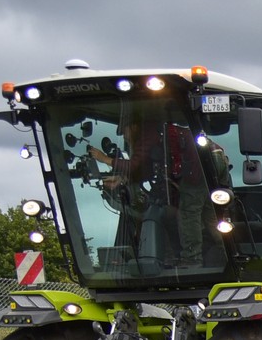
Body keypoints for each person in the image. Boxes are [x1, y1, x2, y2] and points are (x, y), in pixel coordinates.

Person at [86, 114, 208, 265]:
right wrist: (122, 179)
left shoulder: (148, 134)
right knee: (207, 220)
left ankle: (192, 260)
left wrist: (105, 159)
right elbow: (147, 168)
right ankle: (206, 254)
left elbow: (135, 165)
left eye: (124, 132)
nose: (124, 137)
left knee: (188, 214)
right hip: (204, 169)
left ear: (133, 127)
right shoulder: (155, 134)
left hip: (197, 173)